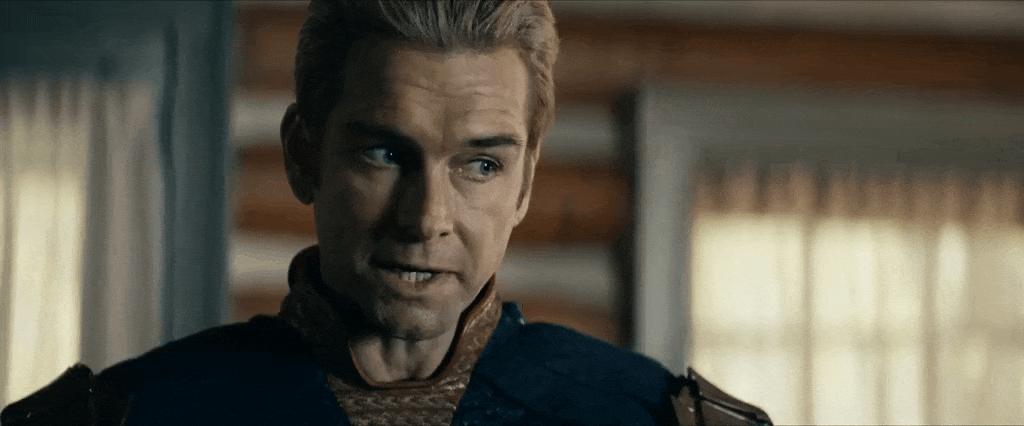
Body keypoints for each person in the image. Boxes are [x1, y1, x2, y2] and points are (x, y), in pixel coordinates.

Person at [1, 1, 772, 425]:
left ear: (525, 185)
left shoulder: (654, 419)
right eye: (384, 153)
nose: (427, 216)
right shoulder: (126, 417)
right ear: (304, 155)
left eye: (480, 164)